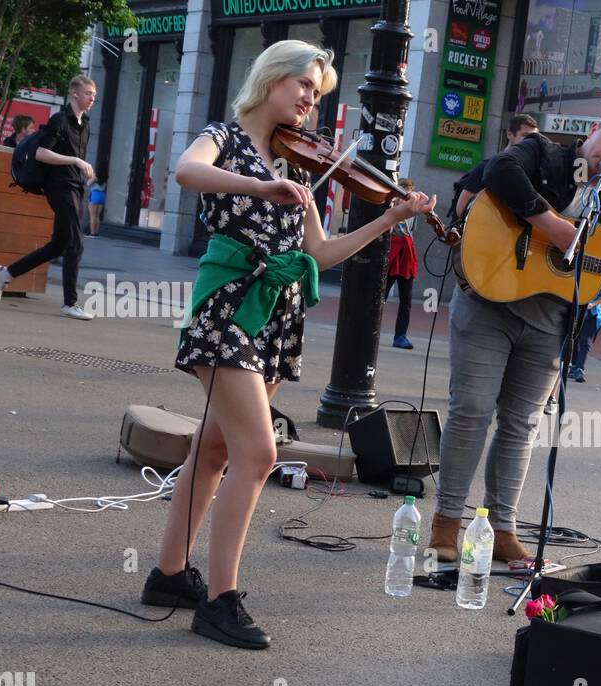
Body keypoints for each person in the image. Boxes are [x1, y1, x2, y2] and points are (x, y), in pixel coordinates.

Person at [139, 40, 434, 649]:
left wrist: (386, 219)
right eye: (303, 84)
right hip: (230, 307)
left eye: (317, 93)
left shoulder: (300, 165)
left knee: (215, 450)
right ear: (271, 77)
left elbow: (319, 253)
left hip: (276, 314)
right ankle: (219, 600)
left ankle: (168, 574)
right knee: (259, 453)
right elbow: (185, 172)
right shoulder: (225, 137)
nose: (309, 100)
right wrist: (258, 190)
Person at [428, 104, 601, 562]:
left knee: (521, 425)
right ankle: (447, 522)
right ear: (593, 132)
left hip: (550, 324)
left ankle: (501, 527)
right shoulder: (543, 153)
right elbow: (500, 170)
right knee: (471, 409)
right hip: (488, 301)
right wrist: (551, 225)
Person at [0, 76, 98, 320]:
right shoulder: (59, 120)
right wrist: (75, 161)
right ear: (74, 93)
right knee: (76, 242)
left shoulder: (86, 125)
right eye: (88, 93)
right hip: (59, 187)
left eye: (94, 95)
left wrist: (84, 171)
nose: (92, 98)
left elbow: (77, 156)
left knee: (59, 245)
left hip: (76, 187)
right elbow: (40, 153)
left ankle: (6, 274)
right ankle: (70, 303)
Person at [453, 114, 539, 219]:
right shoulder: (486, 167)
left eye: (533, 137)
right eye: (525, 135)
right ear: (509, 134)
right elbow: (460, 210)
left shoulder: (528, 172)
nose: (530, 142)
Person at [386, 178, 419, 349]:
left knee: (406, 299)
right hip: (392, 250)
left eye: (408, 194)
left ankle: (400, 335)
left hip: (406, 252)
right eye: (402, 194)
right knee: (380, 295)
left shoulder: (413, 210)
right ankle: (367, 328)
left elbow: (411, 232)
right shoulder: (390, 207)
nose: (404, 199)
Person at [570, 293, 601, 382]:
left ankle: (579, 369)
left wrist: (592, 304)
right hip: (576, 312)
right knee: (574, 339)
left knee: (585, 342)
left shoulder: (596, 280)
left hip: (591, 315)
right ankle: (574, 367)